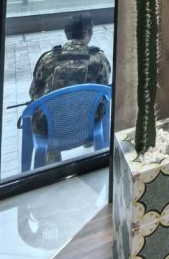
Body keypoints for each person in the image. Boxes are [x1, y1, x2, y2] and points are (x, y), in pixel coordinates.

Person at [27, 13, 112, 164]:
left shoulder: (48, 59)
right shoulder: (99, 59)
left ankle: (52, 159)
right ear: (86, 33)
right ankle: (89, 140)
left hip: (48, 127)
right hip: (87, 123)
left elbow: (33, 92)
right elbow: (104, 89)